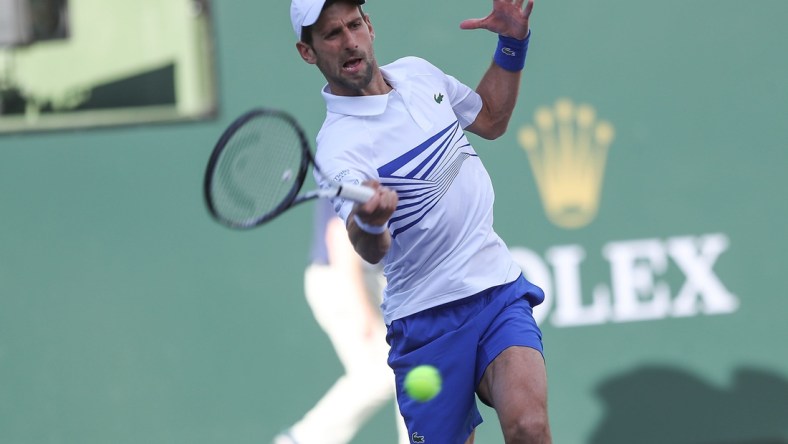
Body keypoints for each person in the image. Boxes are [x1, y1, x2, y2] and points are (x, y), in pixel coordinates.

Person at [290, 0, 552, 443]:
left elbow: (491, 118)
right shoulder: (338, 149)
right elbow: (367, 246)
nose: (349, 41)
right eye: (332, 34)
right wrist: (373, 222)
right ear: (308, 52)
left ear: (370, 26)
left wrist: (512, 42)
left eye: (354, 24)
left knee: (529, 425)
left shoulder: (418, 74)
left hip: (496, 289)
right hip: (425, 323)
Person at [273, 199, 409, 444]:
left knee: (408, 364)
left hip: (378, 281)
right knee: (381, 370)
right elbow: (339, 237)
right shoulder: (358, 166)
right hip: (345, 278)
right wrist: (363, 311)